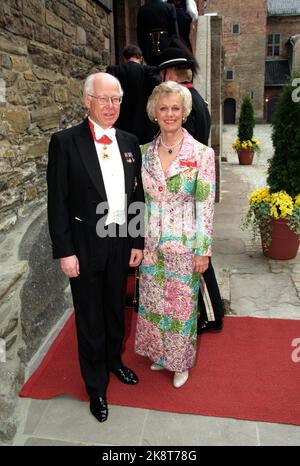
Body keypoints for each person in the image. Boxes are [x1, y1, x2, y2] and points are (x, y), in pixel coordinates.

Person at [47, 72, 144, 423]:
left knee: (115, 309)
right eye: (103, 99)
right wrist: (64, 251)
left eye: (116, 99)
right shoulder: (65, 142)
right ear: (87, 100)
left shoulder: (131, 141)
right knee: (89, 316)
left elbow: (137, 194)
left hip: (120, 240)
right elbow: (57, 201)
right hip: (84, 245)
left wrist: (137, 240)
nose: (110, 106)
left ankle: (114, 361)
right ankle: (95, 386)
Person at [135, 81, 215, 388]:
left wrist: (203, 250)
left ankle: (180, 363)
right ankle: (160, 354)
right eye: (164, 108)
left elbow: (205, 205)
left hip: (185, 245)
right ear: (155, 112)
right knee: (154, 304)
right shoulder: (143, 153)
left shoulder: (202, 154)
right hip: (151, 243)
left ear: (185, 112)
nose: (170, 114)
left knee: (180, 308)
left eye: (176, 108)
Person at [157, 46, 224, 333]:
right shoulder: (198, 99)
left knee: (199, 263)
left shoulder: (188, 103)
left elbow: (186, 150)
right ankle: (209, 313)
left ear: (169, 74)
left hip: (188, 195)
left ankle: (211, 315)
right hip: (191, 192)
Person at [107, 45, 160, 145]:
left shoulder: (114, 71)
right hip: (145, 126)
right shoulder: (150, 72)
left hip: (121, 125)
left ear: (124, 59)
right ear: (141, 59)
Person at [137, 0, 179, 66]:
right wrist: (174, 48)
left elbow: (140, 34)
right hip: (166, 45)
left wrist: (144, 49)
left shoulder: (142, 9)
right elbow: (175, 32)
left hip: (149, 48)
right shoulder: (170, 7)